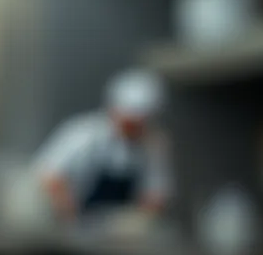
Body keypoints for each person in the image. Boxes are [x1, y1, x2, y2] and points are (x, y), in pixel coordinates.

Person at [34, 69, 170, 221]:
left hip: (117, 235)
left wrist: (139, 220)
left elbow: (155, 194)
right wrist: (70, 216)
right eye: (129, 124)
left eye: (140, 125)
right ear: (114, 111)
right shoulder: (84, 133)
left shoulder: (151, 146)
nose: (134, 130)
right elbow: (50, 175)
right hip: (74, 220)